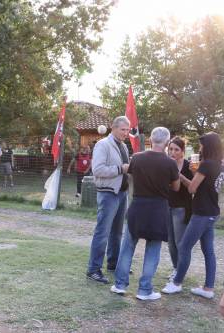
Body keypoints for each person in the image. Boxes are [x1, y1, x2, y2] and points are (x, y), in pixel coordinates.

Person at [110, 127, 180, 301]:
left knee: (128, 246)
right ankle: (144, 290)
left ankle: (119, 285)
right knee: (153, 249)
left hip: (138, 206)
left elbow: (132, 175)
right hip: (158, 209)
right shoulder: (170, 163)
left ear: (150, 139)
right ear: (167, 142)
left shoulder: (138, 158)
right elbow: (176, 187)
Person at [162, 132, 224, 299]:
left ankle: (176, 283)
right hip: (213, 212)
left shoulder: (206, 165)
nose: (200, 148)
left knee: (183, 247)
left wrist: (181, 176)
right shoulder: (221, 164)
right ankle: (208, 288)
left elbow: (192, 188)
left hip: (202, 213)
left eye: (202, 145)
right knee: (208, 251)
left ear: (208, 146)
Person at [86, 116, 130, 284]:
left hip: (122, 192)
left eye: (127, 130)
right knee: (102, 232)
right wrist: (120, 169)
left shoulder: (124, 146)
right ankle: (93, 270)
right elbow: (97, 170)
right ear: (113, 128)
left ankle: (113, 264)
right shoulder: (102, 144)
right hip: (108, 193)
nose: (126, 133)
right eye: (123, 129)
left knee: (117, 232)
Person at [165, 137, 193, 282]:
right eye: (171, 149)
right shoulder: (166, 164)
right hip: (167, 206)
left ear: (182, 152)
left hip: (182, 207)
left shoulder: (189, 166)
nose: (173, 152)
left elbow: (192, 188)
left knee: (180, 242)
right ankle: (176, 269)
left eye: (176, 150)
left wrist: (179, 176)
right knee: (170, 241)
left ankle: (180, 272)